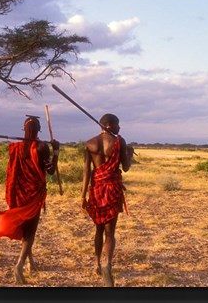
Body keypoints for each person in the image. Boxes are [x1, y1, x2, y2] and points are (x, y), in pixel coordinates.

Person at [0, 115, 60, 284]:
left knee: (26, 230)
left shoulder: (16, 147)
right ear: (38, 130)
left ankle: (31, 262)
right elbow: (50, 171)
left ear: (24, 130)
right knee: (30, 233)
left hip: (18, 195)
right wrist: (56, 151)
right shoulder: (42, 147)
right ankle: (19, 265)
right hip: (34, 196)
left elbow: (11, 172)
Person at [81, 113, 134, 287]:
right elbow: (125, 168)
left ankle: (96, 264)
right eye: (118, 125)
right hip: (112, 189)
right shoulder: (120, 142)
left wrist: (82, 196)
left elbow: (87, 173)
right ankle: (107, 265)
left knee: (98, 229)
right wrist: (129, 154)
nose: (120, 128)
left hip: (96, 190)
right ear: (109, 125)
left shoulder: (90, 143)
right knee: (110, 232)